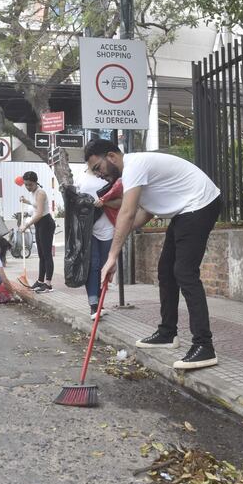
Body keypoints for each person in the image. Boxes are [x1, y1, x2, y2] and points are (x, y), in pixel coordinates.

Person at [84, 139, 221, 371]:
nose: (98, 175)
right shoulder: (134, 173)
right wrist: (117, 247)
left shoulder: (134, 166)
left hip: (201, 203)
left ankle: (204, 346)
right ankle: (167, 333)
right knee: (166, 271)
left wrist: (112, 257)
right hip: (186, 210)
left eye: (98, 168)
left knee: (184, 272)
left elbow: (126, 214)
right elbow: (142, 214)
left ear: (112, 156)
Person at [77, 171, 123, 319]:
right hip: (88, 228)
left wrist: (104, 201)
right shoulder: (80, 179)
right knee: (93, 265)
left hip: (108, 227)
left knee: (105, 266)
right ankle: (93, 305)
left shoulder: (111, 178)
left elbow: (121, 201)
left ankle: (100, 302)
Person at [19, 171, 56, 293]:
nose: (28, 187)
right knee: (41, 254)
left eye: (30, 184)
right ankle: (40, 281)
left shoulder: (40, 193)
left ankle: (48, 284)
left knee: (47, 255)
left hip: (45, 223)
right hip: (39, 224)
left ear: (35, 182)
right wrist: (26, 201)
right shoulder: (33, 192)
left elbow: (39, 213)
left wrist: (26, 225)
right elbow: (35, 204)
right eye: (26, 185)